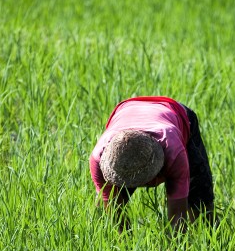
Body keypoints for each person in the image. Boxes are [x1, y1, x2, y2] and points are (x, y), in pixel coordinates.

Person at [90, 96, 215, 231]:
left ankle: (211, 237)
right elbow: (115, 216)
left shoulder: (174, 151)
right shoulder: (99, 160)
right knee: (106, 210)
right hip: (126, 111)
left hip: (173, 111)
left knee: (200, 204)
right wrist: (127, 247)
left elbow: (177, 217)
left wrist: (176, 249)